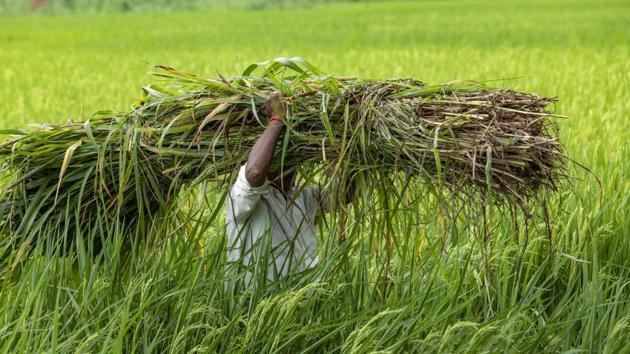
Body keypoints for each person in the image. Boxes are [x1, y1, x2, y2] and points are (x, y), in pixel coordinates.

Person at [225, 95, 326, 285]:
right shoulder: (241, 197)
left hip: (304, 308)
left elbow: (346, 194)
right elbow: (254, 172)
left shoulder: (304, 197)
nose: (292, 164)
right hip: (257, 308)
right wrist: (276, 121)